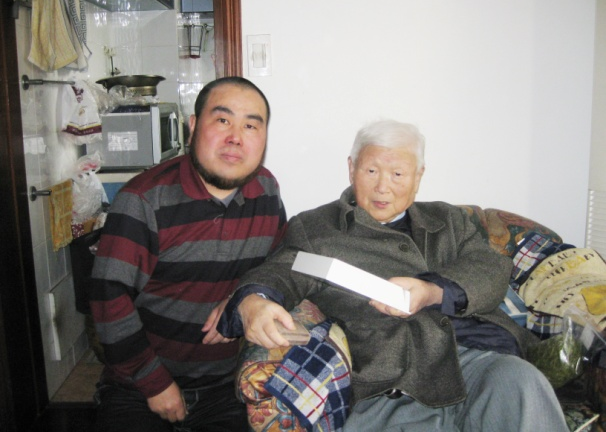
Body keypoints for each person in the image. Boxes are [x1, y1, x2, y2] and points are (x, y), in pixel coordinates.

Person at [219, 120, 569, 432]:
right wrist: (254, 300)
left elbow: (491, 268)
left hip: (478, 360)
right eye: (371, 171)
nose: (383, 187)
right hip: (391, 383)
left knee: (522, 383)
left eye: (398, 174)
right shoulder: (318, 229)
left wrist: (431, 291)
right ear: (351, 168)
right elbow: (282, 270)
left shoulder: (449, 220)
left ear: (418, 177)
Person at [90, 76, 287, 432]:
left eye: (250, 125)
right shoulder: (143, 200)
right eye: (223, 120)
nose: (235, 137)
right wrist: (155, 384)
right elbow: (109, 298)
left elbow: (279, 263)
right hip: (138, 385)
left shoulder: (267, 191)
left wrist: (243, 297)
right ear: (193, 126)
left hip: (225, 388)